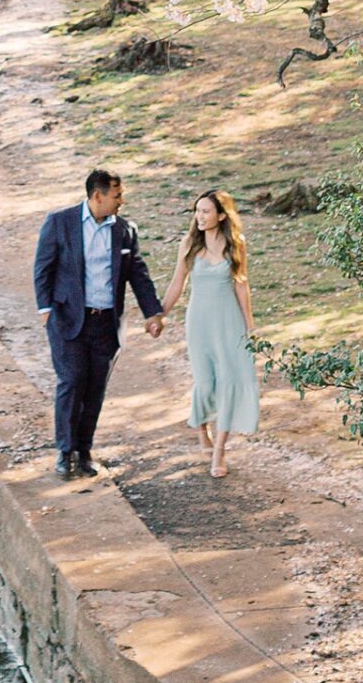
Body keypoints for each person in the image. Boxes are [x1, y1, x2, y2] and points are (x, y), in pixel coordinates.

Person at [33, 168, 164, 480]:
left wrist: (153, 313)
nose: (122, 201)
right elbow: (43, 266)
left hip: (106, 324)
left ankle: (84, 450)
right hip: (68, 320)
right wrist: (45, 309)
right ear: (97, 196)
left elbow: (138, 274)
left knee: (95, 389)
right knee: (72, 380)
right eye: (117, 195)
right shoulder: (59, 223)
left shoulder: (125, 230)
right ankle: (65, 451)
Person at [161, 189, 261, 478]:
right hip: (200, 322)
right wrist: (160, 315)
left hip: (229, 320)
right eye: (197, 211)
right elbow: (177, 284)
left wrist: (250, 326)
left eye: (206, 211)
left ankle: (219, 450)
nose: (200, 216)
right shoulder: (189, 243)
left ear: (221, 215)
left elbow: (242, 285)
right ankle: (201, 425)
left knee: (231, 380)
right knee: (205, 383)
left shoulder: (235, 244)